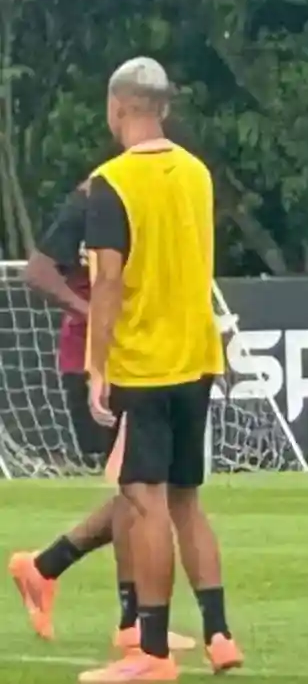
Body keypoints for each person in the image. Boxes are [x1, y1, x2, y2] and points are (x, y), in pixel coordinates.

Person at [75, 57, 243, 683]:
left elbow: (110, 281)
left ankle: (151, 652)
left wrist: (98, 366)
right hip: (197, 355)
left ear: (117, 107)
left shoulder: (111, 182)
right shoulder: (197, 174)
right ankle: (220, 634)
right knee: (186, 501)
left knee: (143, 503)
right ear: (164, 108)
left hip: (143, 363)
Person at [8, 179, 194, 652]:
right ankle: (78, 586)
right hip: (92, 361)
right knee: (143, 487)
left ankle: (59, 575)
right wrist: (93, 313)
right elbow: (38, 271)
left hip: (134, 359)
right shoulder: (94, 197)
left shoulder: (148, 196)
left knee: (141, 488)